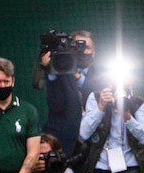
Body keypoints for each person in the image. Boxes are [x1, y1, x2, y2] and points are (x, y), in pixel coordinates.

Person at [32, 30, 101, 160]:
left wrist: (76, 75)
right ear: (70, 49)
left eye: (87, 47)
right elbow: (55, 104)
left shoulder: (103, 74)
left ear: (94, 52)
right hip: (63, 142)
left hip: (95, 147)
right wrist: (48, 67)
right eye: (78, 47)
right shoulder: (58, 72)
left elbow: (97, 94)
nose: (83, 52)